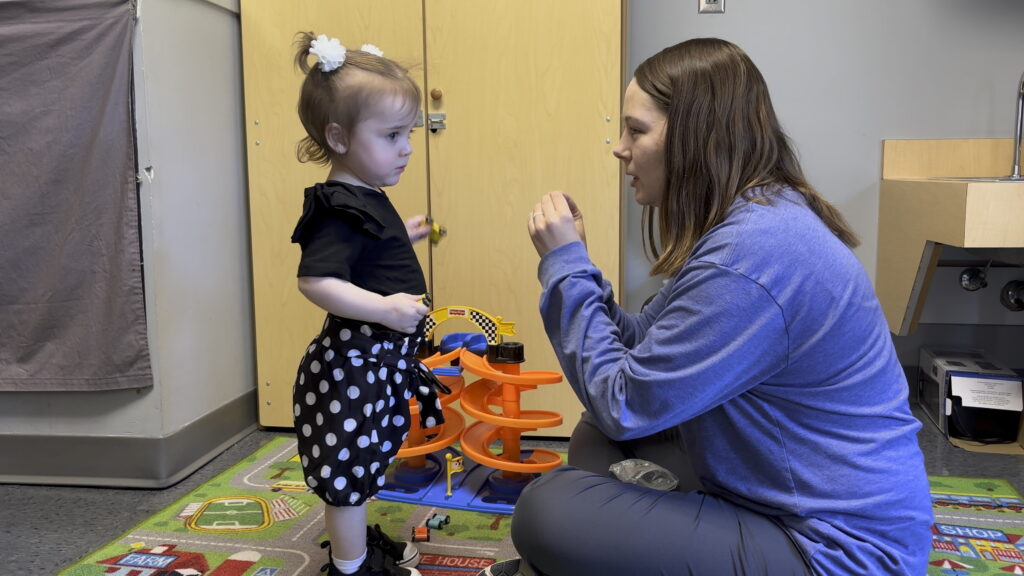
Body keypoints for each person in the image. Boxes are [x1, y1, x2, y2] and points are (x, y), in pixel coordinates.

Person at [481, 38, 932, 576]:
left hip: (838, 551)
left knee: (547, 510)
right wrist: (578, 266)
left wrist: (565, 268)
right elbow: (639, 347)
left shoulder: (752, 254)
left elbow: (624, 403)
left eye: (637, 130)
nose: (619, 147)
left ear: (694, 137)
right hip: (778, 497)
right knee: (595, 441)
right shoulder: (751, 222)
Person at [289, 32, 445, 576]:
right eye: (392, 135)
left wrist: (398, 234)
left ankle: (352, 549)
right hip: (352, 371)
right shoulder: (337, 206)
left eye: (409, 133)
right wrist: (383, 310)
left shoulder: (365, 197)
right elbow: (316, 280)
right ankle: (350, 569)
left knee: (365, 464)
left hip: (375, 367)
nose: (406, 147)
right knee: (348, 477)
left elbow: (361, 254)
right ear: (338, 137)